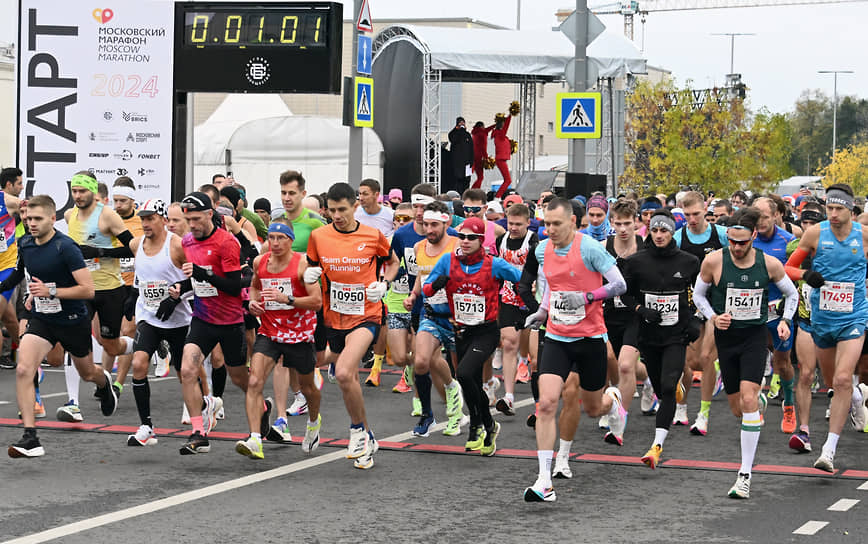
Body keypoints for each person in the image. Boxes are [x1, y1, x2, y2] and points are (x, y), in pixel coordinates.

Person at [522, 197, 628, 502]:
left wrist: (587, 297)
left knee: (594, 409)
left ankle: (614, 401)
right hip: (556, 336)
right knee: (546, 404)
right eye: (546, 223)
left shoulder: (591, 248)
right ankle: (544, 480)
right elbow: (552, 288)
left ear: (572, 222)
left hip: (590, 338)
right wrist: (542, 312)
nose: (550, 229)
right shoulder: (543, 250)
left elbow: (619, 284)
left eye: (556, 223)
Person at [693, 206, 798, 498]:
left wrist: (786, 321)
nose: (736, 248)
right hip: (726, 339)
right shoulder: (713, 262)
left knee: (748, 399)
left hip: (754, 337)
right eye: (732, 242)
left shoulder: (770, 264)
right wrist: (713, 316)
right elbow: (698, 294)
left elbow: (792, 294)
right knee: (739, 409)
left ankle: (745, 474)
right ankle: (758, 402)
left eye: (742, 242)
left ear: (754, 235)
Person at [5, 196, 117, 458]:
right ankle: (31, 437)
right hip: (43, 318)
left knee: (87, 372)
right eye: (28, 219)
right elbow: (24, 272)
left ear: (52, 219)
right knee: (23, 368)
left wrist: (50, 290)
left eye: (37, 219)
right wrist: (32, 294)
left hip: (71, 320)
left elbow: (87, 290)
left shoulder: (65, 247)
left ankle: (104, 382)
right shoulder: (26, 243)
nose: (31, 224)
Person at [306, 182, 398, 469]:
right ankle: (368, 436)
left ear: (355, 206)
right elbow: (311, 266)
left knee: (345, 372)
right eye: (331, 210)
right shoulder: (319, 237)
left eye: (342, 209)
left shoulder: (373, 236)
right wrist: (308, 273)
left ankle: (357, 431)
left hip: (366, 314)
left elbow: (392, 263)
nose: (337, 215)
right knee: (329, 368)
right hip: (334, 317)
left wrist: (384, 284)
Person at [784, 183, 868, 472]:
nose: (832, 214)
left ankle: (828, 450)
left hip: (854, 316)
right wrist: (806, 274)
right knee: (834, 382)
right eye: (829, 208)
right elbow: (788, 269)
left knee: (844, 379)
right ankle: (857, 398)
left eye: (838, 209)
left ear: (850, 209)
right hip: (822, 318)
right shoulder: (815, 233)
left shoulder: (864, 236)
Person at [423, 217, 521, 455]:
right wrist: (437, 284)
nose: (465, 241)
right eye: (462, 237)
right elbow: (426, 289)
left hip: (486, 331)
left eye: (471, 238)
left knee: (464, 373)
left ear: (481, 240)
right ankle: (481, 426)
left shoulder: (494, 264)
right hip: (460, 329)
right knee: (470, 381)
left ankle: (485, 424)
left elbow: (521, 279)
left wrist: (518, 307)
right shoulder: (448, 261)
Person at [236, 219, 323, 459]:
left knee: (307, 387)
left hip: (299, 334)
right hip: (270, 332)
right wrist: (253, 302)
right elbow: (255, 286)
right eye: (271, 238)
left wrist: (288, 300)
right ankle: (255, 439)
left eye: (280, 238)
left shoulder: (302, 265)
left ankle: (314, 422)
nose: (274, 243)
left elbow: (317, 302)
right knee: (254, 382)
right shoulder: (260, 262)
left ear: (291, 240)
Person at [621, 210, 701, 466]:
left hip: (677, 334)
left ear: (672, 232)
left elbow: (701, 293)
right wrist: (640, 310)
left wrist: (695, 320)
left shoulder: (688, 261)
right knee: (659, 387)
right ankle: (671, 389)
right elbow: (624, 293)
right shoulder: (636, 262)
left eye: (664, 230)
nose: (658, 235)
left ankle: (656, 446)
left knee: (667, 387)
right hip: (648, 334)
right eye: (654, 230)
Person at [172, 192, 248, 455]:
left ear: (209, 214)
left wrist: (205, 273)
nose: (192, 224)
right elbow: (195, 280)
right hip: (203, 318)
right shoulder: (187, 242)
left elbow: (234, 286)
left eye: (196, 219)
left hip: (230, 320)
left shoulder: (227, 243)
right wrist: (179, 289)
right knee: (187, 370)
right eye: (187, 219)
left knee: (241, 378)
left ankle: (261, 407)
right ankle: (198, 432)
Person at [64, 172, 137, 420]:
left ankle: (146, 344)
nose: (78, 196)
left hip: (109, 290)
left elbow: (132, 246)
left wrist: (99, 251)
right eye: (74, 191)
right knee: (73, 341)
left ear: (93, 192)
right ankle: (72, 402)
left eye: (82, 191)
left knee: (111, 345)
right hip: (81, 289)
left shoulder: (107, 215)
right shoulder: (69, 216)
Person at [124, 199, 192, 447]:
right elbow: (141, 276)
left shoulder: (177, 246)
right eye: (142, 218)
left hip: (178, 318)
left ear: (163, 220)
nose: (145, 223)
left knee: (184, 372)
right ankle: (146, 426)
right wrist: (133, 296)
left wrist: (176, 299)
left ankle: (200, 408)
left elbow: (196, 280)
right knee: (139, 363)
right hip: (149, 317)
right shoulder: (136, 244)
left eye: (150, 218)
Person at [403, 201, 465, 437]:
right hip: (430, 313)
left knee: (464, 373)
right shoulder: (419, 247)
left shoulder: (458, 245)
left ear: (446, 222)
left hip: (458, 317)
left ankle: (455, 399)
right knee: (421, 362)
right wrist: (413, 294)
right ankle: (427, 415)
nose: (429, 229)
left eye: (435, 225)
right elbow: (421, 275)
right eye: (426, 224)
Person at [673, 191, 728, 434]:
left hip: (715, 305)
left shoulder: (721, 235)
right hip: (687, 305)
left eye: (696, 214)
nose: (692, 219)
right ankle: (681, 407)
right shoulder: (677, 237)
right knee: (686, 363)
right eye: (687, 215)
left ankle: (703, 414)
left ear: (706, 209)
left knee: (705, 360)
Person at [279, 171, 327, 420]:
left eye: (292, 193)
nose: (287, 198)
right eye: (283, 193)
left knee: (315, 355)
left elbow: (329, 252)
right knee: (283, 356)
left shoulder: (315, 222)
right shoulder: (278, 221)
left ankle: (309, 383)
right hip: (283, 301)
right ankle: (299, 396)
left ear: (302, 194)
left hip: (311, 298)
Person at [752, 196, 797, 434]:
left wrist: (787, 314)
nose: (760, 222)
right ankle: (756, 404)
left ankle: (789, 403)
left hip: (779, 311)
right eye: (756, 217)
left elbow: (796, 278)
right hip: (753, 311)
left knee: (782, 362)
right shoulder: (747, 239)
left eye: (765, 217)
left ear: (776, 215)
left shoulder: (788, 242)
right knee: (756, 359)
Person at [787, 201, 828, 452]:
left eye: (814, 223)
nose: (809, 227)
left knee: (838, 379)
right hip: (807, 319)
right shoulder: (796, 246)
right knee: (805, 373)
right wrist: (803, 275)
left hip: (837, 320)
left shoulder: (835, 247)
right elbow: (784, 270)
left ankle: (855, 399)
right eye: (805, 222)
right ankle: (804, 431)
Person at [494, 203, 538, 415]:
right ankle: (509, 396)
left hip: (530, 298)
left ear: (528, 223)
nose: (513, 228)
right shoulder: (500, 240)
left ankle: (539, 403)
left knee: (534, 354)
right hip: (509, 297)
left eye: (518, 224)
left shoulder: (534, 242)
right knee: (509, 343)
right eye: (510, 223)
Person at [107, 177, 143, 397]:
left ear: (132, 200)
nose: (118, 205)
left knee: (128, 330)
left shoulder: (142, 221)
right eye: (115, 201)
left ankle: (117, 384)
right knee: (111, 334)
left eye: (122, 201)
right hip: (113, 282)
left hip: (136, 285)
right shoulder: (109, 219)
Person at [461, 188, 505, 256]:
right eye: (467, 209)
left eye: (476, 209)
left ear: (485, 208)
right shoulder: (457, 231)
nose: (471, 213)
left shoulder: (497, 230)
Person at [448, 117, 474, 194]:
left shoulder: (467, 135)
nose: (462, 124)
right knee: (458, 181)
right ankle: (458, 195)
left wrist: (471, 160)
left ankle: (466, 195)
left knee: (467, 180)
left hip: (467, 163)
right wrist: (458, 129)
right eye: (460, 122)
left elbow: (471, 148)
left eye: (463, 122)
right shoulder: (453, 133)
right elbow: (453, 140)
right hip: (457, 164)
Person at [491, 114, 514, 198]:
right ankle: (498, 196)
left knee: (507, 180)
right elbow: (506, 126)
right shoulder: (500, 134)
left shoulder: (500, 135)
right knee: (508, 180)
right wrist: (510, 115)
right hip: (500, 160)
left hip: (502, 159)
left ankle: (498, 196)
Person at [470, 121, 493, 189]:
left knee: (469, 175)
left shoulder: (475, 133)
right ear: (481, 127)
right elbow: (483, 147)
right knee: (480, 177)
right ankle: (474, 190)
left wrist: (495, 125)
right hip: (479, 157)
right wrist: (486, 157)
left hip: (473, 156)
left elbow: (487, 129)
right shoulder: (482, 134)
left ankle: (472, 190)